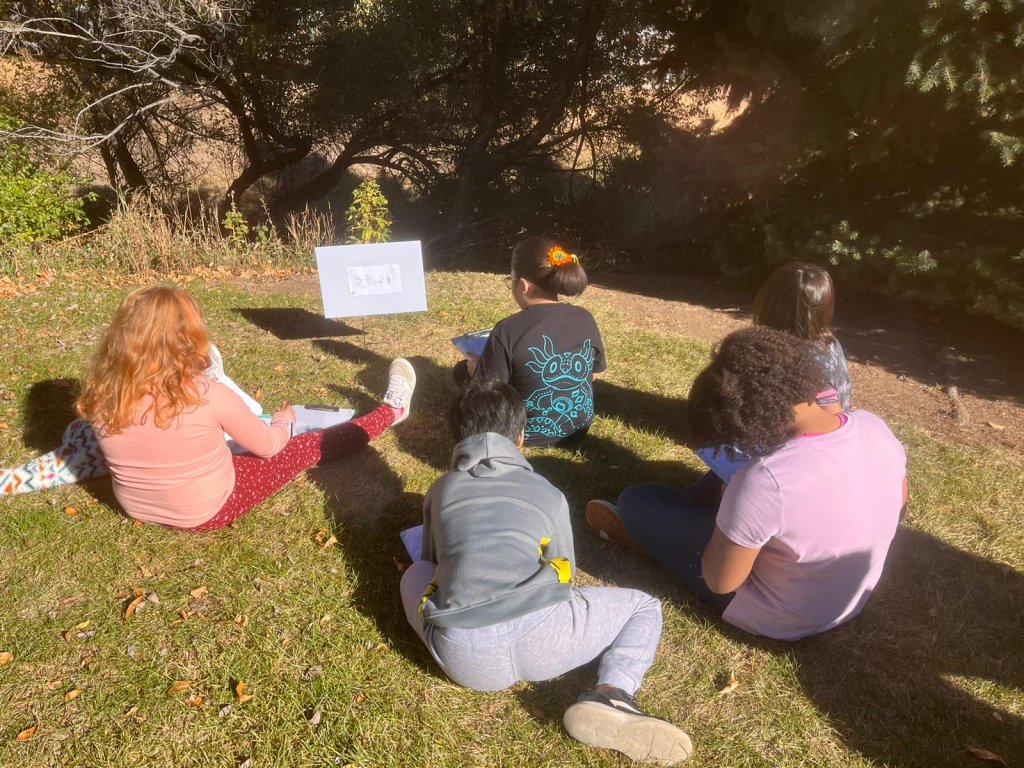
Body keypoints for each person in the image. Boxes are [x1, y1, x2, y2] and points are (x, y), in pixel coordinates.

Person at [400, 379, 692, 765]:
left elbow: (433, 562)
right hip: (548, 640)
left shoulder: (440, 489)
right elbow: (564, 576)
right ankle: (615, 691)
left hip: (466, 658)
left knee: (414, 572)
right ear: (520, 436)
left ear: (455, 438)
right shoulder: (548, 492)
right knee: (644, 606)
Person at [586, 328, 907, 641]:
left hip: (781, 616)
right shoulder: (874, 427)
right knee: (721, 480)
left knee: (639, 502)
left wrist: (735, 504)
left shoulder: (765, 479)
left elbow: (721, 582)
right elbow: (898, 507)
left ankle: (646, 539)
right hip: (849, 599)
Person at [75, 285, 416, 531]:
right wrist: (284, 421)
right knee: (305, 446)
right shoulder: (207, 395)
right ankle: (392, 411)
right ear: (189, 339)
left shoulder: (102, 394)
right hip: (206, 511)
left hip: (136, 507)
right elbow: (269, 446)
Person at [454, 235, 606, 446]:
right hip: (578, 428)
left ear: (523, 285)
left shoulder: (507, 329)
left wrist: (475, 369)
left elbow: (489, 393)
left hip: (523, 433)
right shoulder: (585, 317)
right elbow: (595, 372)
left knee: (460, 371)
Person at [752, 261, 852, 411]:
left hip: (816, 430)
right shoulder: (830, 343)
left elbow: (831, 412)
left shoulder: (787, 357)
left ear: (767, 300)